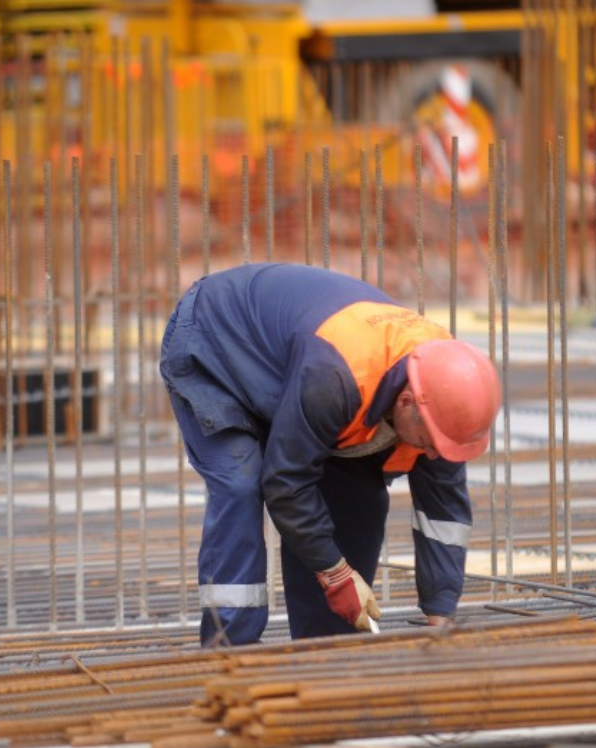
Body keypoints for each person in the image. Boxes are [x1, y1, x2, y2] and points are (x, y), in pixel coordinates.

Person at [159, 263, 501, 647]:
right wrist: (336, 575)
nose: (435, 456)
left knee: (358, 498)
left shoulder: (445, 393)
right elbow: (286, 484)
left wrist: (442, 619)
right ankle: (229, 651)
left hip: (290, 367)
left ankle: (325, 650)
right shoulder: (336, 379)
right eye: (428, 442)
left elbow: (444, 516)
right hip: (215, 341)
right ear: (405, 402)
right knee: (242, 484)